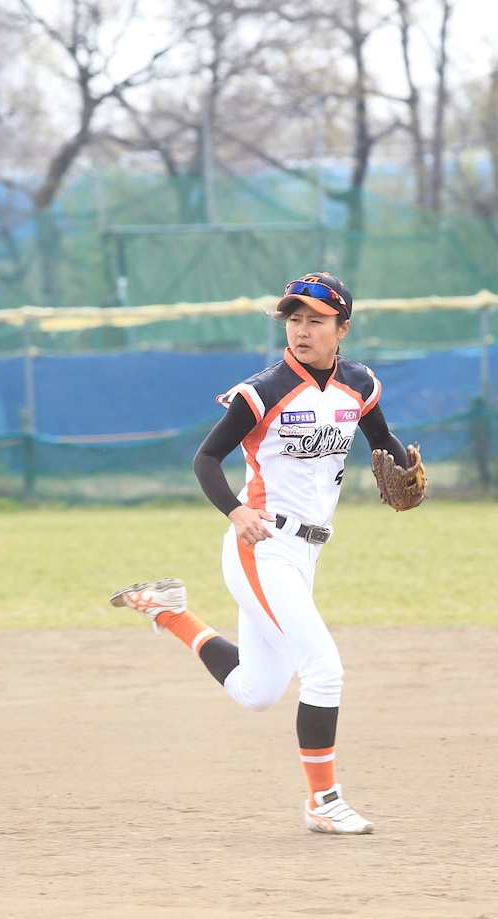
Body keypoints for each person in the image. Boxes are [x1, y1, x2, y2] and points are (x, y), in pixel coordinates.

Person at [110, 271, 423, 835]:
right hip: (262, 545)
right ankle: (323, 802)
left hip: (308, 553)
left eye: (316, 320)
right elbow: (206, 459)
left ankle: (169, 610)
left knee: (256, 692)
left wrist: (403, 468)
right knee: (324, 669)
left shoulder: (360, 385)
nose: (302, 330)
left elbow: (381, 439)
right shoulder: (266, 390)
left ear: (342, 328)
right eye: (294, 319)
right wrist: (235, 510)